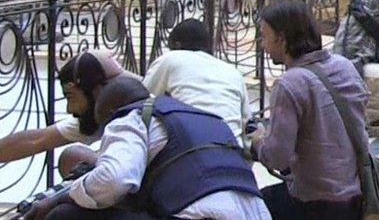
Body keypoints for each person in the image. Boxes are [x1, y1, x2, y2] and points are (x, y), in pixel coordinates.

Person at [30, 77, 270, 220]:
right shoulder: (210, 121)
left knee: (65, 216)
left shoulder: (131, 118)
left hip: (203, 216)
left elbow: (113, 179)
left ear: (111, 114)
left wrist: (60, 198)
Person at [250, 0, 368, 220]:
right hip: (354, 197)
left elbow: (277, 158)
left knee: (249, 207)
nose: (262, 45)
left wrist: (258, 141)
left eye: (265, 36)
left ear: (281, 38)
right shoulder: (344, 66)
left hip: (313, 203)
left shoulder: (290, 83)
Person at [0, 50, 136, 170]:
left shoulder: (136, 113)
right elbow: (37, 139)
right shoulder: (103, 110)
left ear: (96, 91)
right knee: (72, 158)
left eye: (71, 97)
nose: (69, 109)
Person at [142, 19, 252, 145]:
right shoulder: (233, 71)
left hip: (189, 150)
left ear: (177, 45)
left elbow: (141, 99)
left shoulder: (171, 58)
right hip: (232, 151)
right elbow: (246, 123)